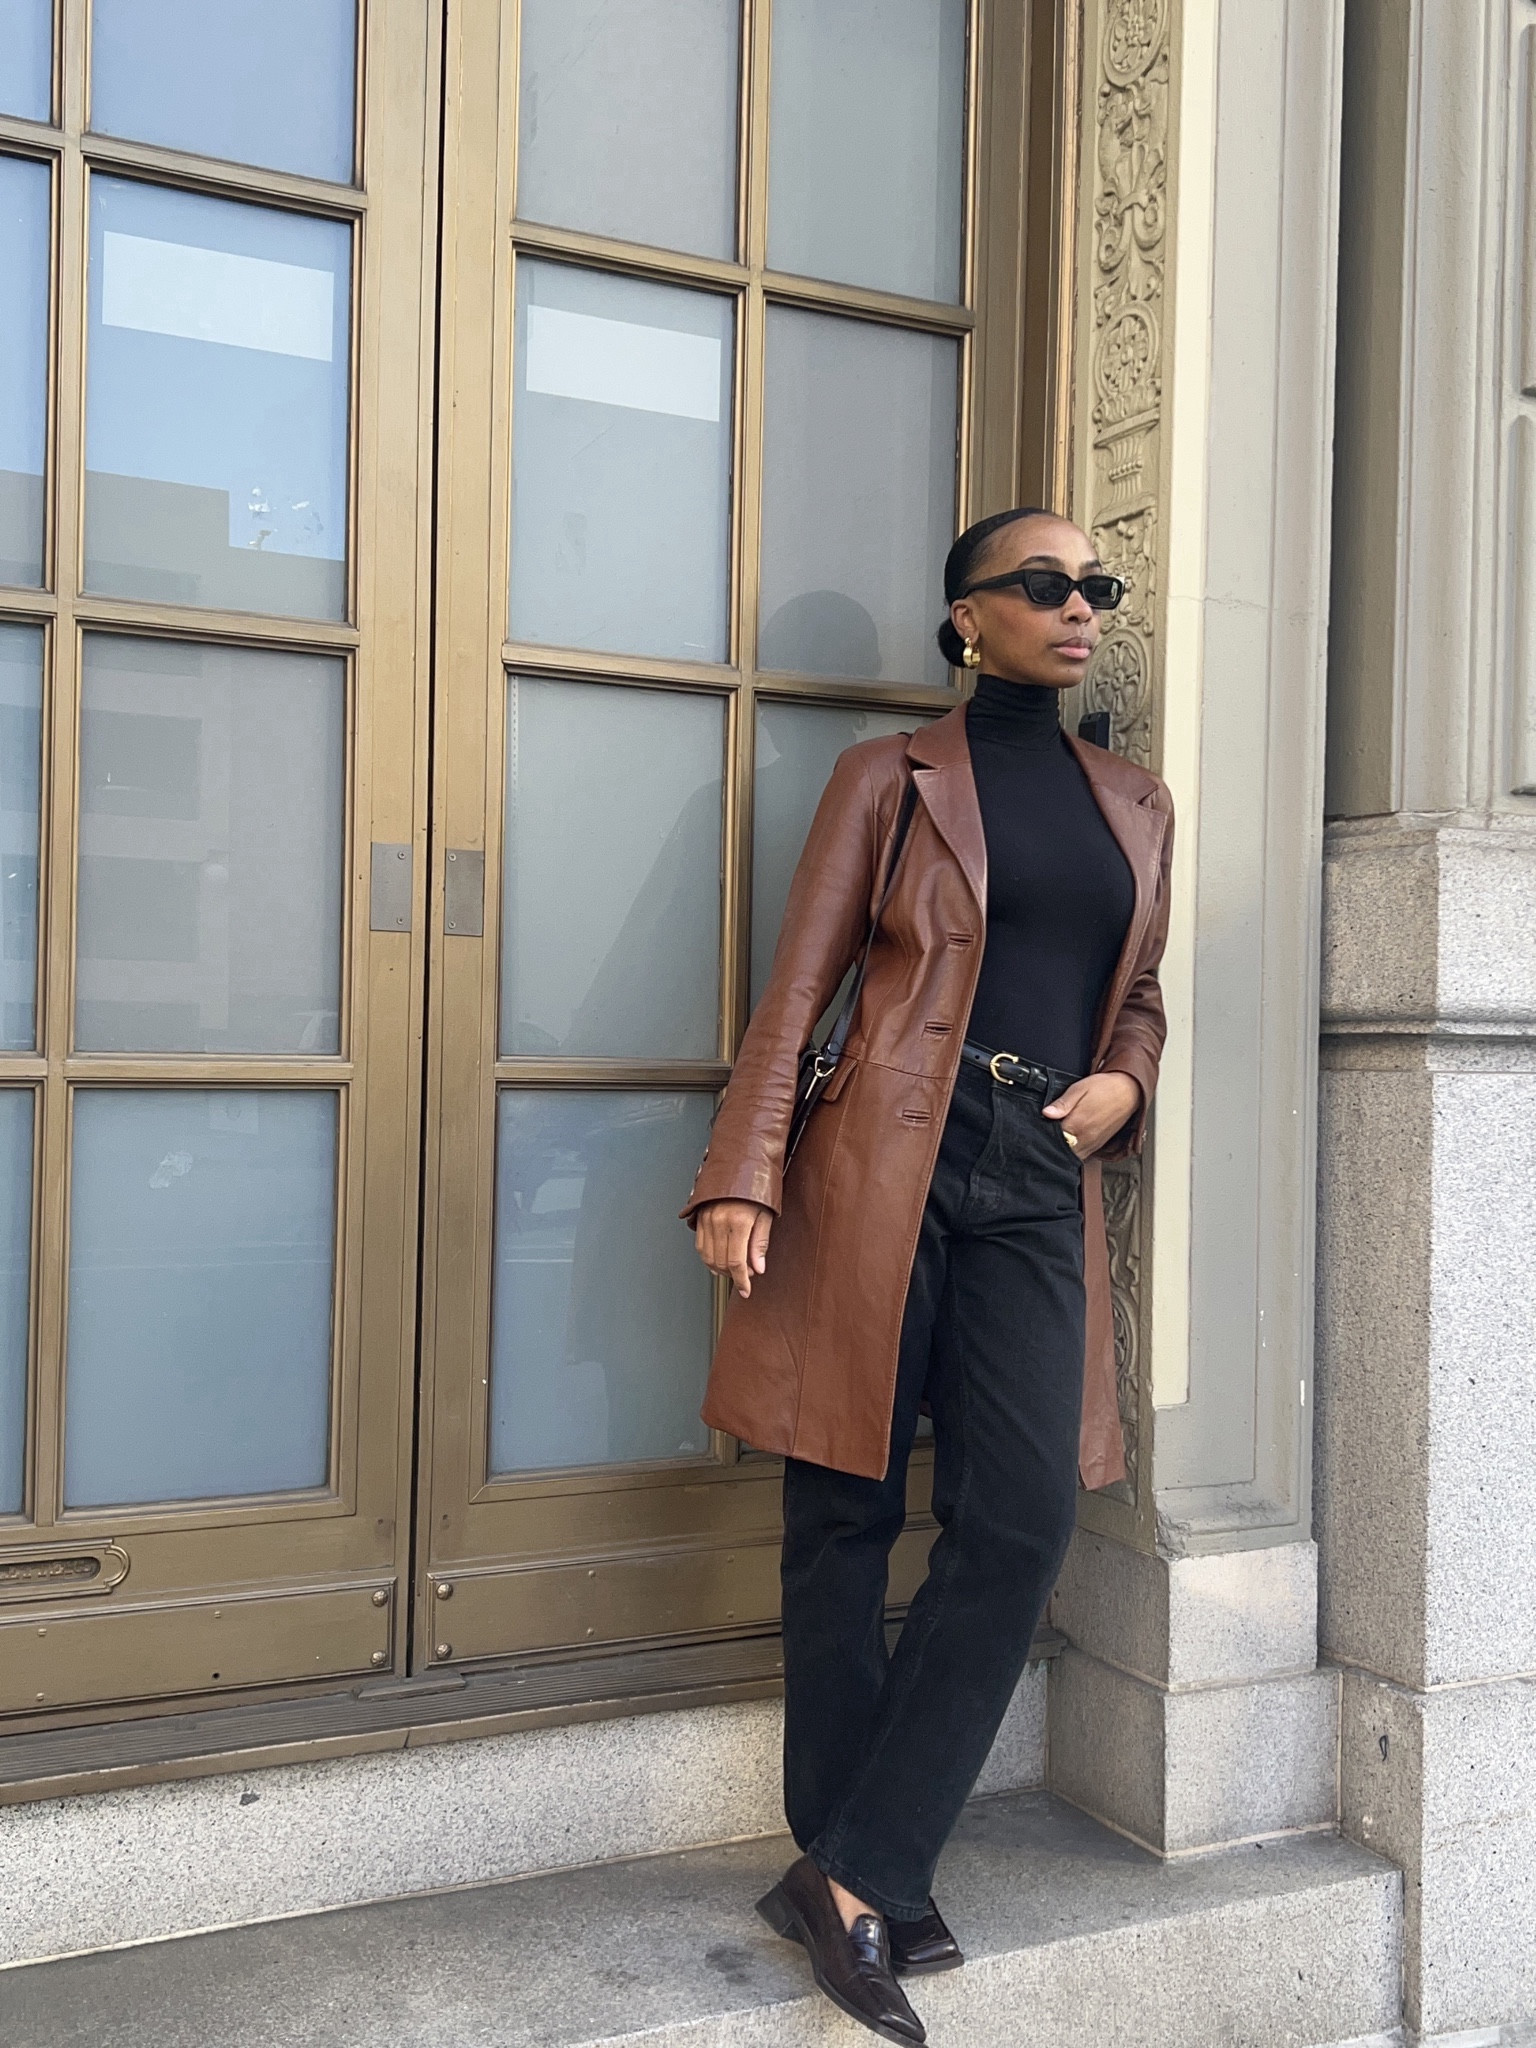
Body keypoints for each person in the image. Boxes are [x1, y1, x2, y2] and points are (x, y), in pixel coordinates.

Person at [682, 507, 1173, 2046]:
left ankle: (860, 1860)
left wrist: (1128, 1086)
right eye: (1044, 585)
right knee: (841, 1501)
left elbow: (1138, 990)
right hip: (882, 1154)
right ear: (969, 619)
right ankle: (853, 1872)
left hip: (1038, 1158)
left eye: (1096, 585)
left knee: (1020, 1515)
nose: (1080, 607)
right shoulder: (890, 780)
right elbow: (806, 979)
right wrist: (740, 1170)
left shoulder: (1135, 802)